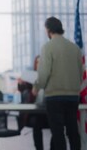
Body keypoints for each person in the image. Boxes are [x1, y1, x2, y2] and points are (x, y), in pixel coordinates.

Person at [34, 16, 84, 150]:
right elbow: (80, 73)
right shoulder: (75, 48)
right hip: (73, 96)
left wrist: (37, 87)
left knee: (58, 133)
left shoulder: (48, 47)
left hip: (55, 97)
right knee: (73, 131)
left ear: (48, 30)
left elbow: (44, 73)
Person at [18, 55, 50, 150]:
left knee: (56, 127)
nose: (39, 64)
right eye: (37, 62)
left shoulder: (50, 75)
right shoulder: (30, 76)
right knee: (37, 124)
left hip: (49, 108)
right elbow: (22, 90)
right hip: (36, 109)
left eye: (41, 62)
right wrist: (20, 83)